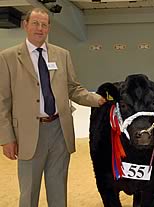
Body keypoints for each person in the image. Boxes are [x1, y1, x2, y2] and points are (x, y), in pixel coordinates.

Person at [0, 8, 106, 207]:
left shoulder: (62, 55)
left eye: (44, 24)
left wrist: (96, 99)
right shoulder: (8, 57)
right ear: (26, 25)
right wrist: (7, 138)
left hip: (59, 130)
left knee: (58, 189)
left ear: (49, 27)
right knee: (29, 193)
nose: (40, 28)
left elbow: (73, 88)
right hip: (28, 133)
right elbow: (2, 101)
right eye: (35, 23)